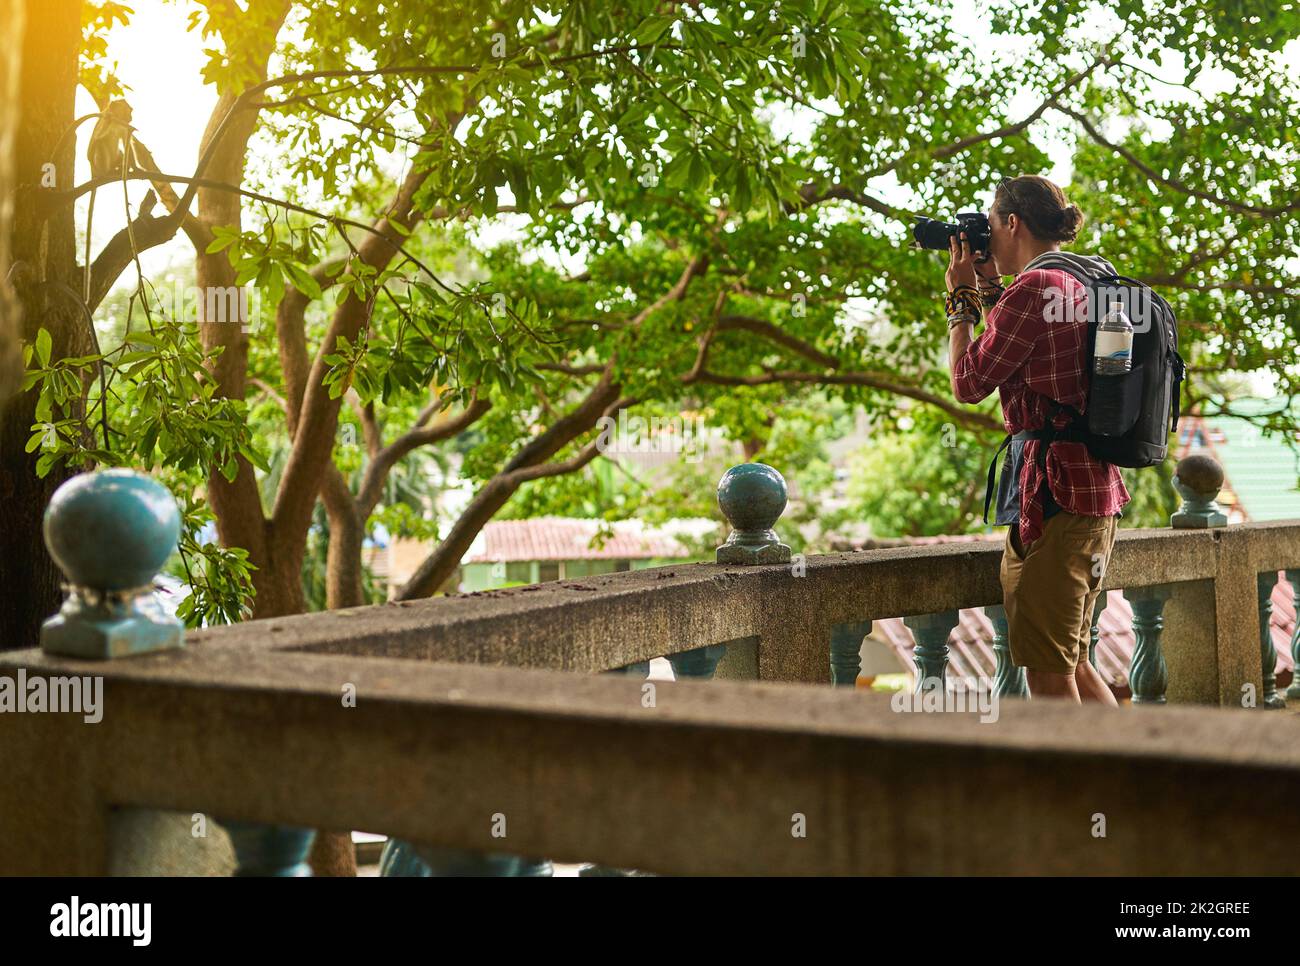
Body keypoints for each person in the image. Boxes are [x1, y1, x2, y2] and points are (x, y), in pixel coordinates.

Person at [944, 175, 1127, 705]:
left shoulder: (1035, 288)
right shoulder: (1081, 281)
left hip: (1055, 501)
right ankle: (1129, 783)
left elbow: (968, 382)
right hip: (1091, 493)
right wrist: (989, 288)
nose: (987, 240)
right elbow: (1042, 349)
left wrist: (961, 303)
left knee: (1050, 679)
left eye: (991, 225)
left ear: (1012, 222)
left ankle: (1080, 790)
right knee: (1073, 664)